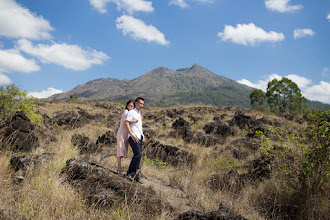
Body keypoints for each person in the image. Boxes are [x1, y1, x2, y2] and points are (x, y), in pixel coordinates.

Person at [100, 99, 139, 175]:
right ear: (127, 106)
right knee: (120, 150)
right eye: (129, 105)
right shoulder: (126, 112)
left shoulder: (132, 113)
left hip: (126, 133)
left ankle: (106, 155)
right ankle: (119, 168)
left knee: (122, 151)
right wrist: (134, 121)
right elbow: (126, 123)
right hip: (122, 132)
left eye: (132, 106)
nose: (130, 107)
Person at [125, 97, 144, 184]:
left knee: (139, 156)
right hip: (133, 136)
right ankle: (130, 173)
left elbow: (139, 126)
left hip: (139, 137)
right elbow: (126, 123)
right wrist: (131, 135)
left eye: (143, 104)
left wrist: (142, 135)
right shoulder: (131, 112)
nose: (142, 105)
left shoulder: (139, 113)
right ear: (135, 103)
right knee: (137, 154)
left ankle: (136, 175)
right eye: (140, 103)